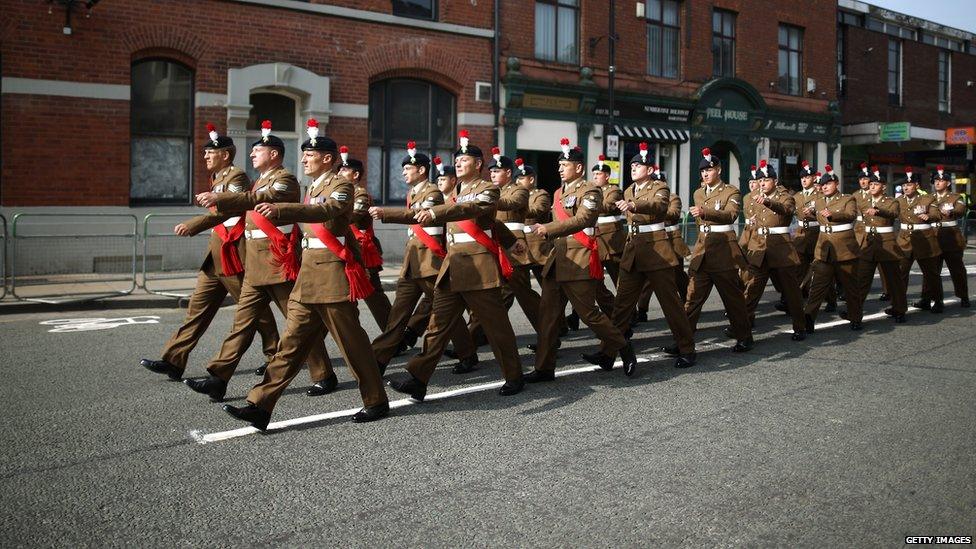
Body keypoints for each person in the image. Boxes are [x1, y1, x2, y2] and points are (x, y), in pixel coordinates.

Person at [221, 124, 390, 428]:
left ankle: (376, 400)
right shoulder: (312, 188)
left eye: (309, 155)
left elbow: (329, 211)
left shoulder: (342, 186)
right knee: (290, 345)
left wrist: (284, 210)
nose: (304, 160)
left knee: (353, 345)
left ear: (327, 159)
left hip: (333, 278)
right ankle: (259, 406)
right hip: (308, 277)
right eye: (304, 155)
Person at [187, 120, 334, 401]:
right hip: (255, 266)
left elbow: (260, 198)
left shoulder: (285, 179)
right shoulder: (260, 179)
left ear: (274, 154)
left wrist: (221, 196)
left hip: (277, 264)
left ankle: (323, 374)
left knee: (297, 324)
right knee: (241, 324)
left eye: (258, 151)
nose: (252, 155)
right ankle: (218, 378)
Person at [387, 130, 525, 401]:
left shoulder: (487, 189)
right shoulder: (451, 196)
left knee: (496, 328)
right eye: (457, 159)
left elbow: (471, 211)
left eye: (465, 160)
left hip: (479, 270)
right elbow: (492, 224)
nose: (459, 163)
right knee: (438, 326)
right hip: (452, 270)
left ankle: (514, 375)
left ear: (478, 165)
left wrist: (436, 212)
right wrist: (386, 214)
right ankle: (418, 379)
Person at [140, 123, 279, 381]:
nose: (204, 156)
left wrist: (193, 225)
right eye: (204, 153)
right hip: (215, 258)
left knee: (254, 311)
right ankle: (173, 360)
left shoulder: (236, 177)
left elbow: (227, 211)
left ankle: (276, 356)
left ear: (225, 155)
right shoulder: (217, 179)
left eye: (210, 153)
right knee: (197, 310)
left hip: (233, 255)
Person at [525, 138, 637, 380]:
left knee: (589, 314)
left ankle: (623, 347)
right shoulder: (557, 193)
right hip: (558, 260)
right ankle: (544, 368)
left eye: (565, 164)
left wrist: (549, 228)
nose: (560, 168)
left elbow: (584, 219)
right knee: (548, 317)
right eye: (559, 165)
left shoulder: (590, 191)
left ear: (578, 168)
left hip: (580, 255)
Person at [368, 150, 479, 375]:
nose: (403, 173)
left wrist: (386, 213)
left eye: (408, 169)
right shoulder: (412, 193)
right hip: (413, 263)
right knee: (397, 315)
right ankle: (378, 361)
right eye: (403, 169)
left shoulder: (433, 193)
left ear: (421, 170)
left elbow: (418, 215)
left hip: (431, 262)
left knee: (444, 313)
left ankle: (467, 354)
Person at [597, 143, 695, 370]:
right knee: (622, 305)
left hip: (656, 251)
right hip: (634, 251)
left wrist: (634, 205)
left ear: (649, 169)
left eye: (638, 165)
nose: (633, 168)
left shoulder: (660, 187)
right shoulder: (629, 189)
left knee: (670, 304)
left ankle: (687, 348)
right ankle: (607, 353)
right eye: (631, 165)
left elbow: (659, 205)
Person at [465, 147, 542, 349]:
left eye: (497, 171)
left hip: (514, 248)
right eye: (491, 171)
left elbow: (511, 203)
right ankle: (475, 337)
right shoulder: (487, 190)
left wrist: (487, 200)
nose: (492, 174)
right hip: (495, 246)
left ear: (508, 172)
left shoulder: (519, 190)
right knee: (495, 296)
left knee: (525, 297)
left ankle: (550, 333)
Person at [678, 148, 753, 353]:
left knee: (732, 299)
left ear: (718, 170)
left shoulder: (731, 191)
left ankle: (744, 336)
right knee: (692, 299)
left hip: (724, 252)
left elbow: (730, 215)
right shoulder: (698, 192)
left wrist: (705, 212)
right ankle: (683, 342)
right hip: (703, 251)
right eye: (702, 171)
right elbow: (698, 221)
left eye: (709, 170)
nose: (705, 174)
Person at [741, 160, 806, 340]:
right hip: (760, 247)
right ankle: (741, 327)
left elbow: (787, 210)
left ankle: (800, 326)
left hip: (781, 249)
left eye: (767, 180)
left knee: (791, 291)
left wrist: (769, 202)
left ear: (775, 181)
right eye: (761, 180)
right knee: (752, 288)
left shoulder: (785, 195)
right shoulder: (754, 196)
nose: (762, 183)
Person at [801, 166, 863, 332]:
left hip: (845, 250)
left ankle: (855, 316)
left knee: (850, 287)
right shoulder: (819, 200)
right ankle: (808, 319)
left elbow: (851, 215)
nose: (825, 186)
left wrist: (833, 215)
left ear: (836, 183)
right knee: (817, 287)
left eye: (828, 183)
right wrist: (812, 213)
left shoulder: (847, 199)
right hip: (824, 249)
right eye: (822, 184)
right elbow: (819, 216)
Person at [341, 148, 392, 329]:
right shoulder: (342, 193)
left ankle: (393, 335)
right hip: (346, 248)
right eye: (339, 169)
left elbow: (354, 216)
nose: (340, 172)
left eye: (344, 170)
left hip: (363, 249)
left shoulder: (360, 194)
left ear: (355, 175)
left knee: (374, 296)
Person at [851, 168, 907, 323]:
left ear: (883, 186)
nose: (872, 187)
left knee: (894, 280)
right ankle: (854, 312)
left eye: (876, 184)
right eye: (871, 184)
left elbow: (893, 214)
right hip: (868, 243)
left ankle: (899, 309)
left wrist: (878, 211)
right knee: (861, 279)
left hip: (887, 243)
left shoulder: (891, 201)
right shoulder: (863, 201)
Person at [635, 166, 690, 322]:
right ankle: (642, 309)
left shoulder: (672, 198)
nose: (657, 183)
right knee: (648, 281)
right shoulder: (647, 196)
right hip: (655, 239)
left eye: (660, 181)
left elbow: (674, 214)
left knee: (678, 275)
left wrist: (656, 211)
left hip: (672, 240)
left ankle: (687, 302)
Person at [896, 167, 944, 313]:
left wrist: (929, 217)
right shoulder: (898, 201)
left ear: (916, 185)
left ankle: (937, 301)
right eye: (904, 186)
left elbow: (937, 214)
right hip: (904, 240)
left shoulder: (928, 198)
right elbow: (891, 212)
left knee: (931, 274)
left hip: (924, 241)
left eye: (909, 185)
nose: (906, 188)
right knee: (900, 273)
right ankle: (899, 304)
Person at [929, 166, 970, 308]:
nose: (938, 183)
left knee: (957, 270)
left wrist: (951, 213)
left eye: (941, 180)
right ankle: (936, 300)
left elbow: (960, 210)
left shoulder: (956, 197)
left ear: (948, 183)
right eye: (936, 180)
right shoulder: (929, 198)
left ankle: (964, 296)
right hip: (933, 237)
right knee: (933, 271)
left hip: (951, 238)